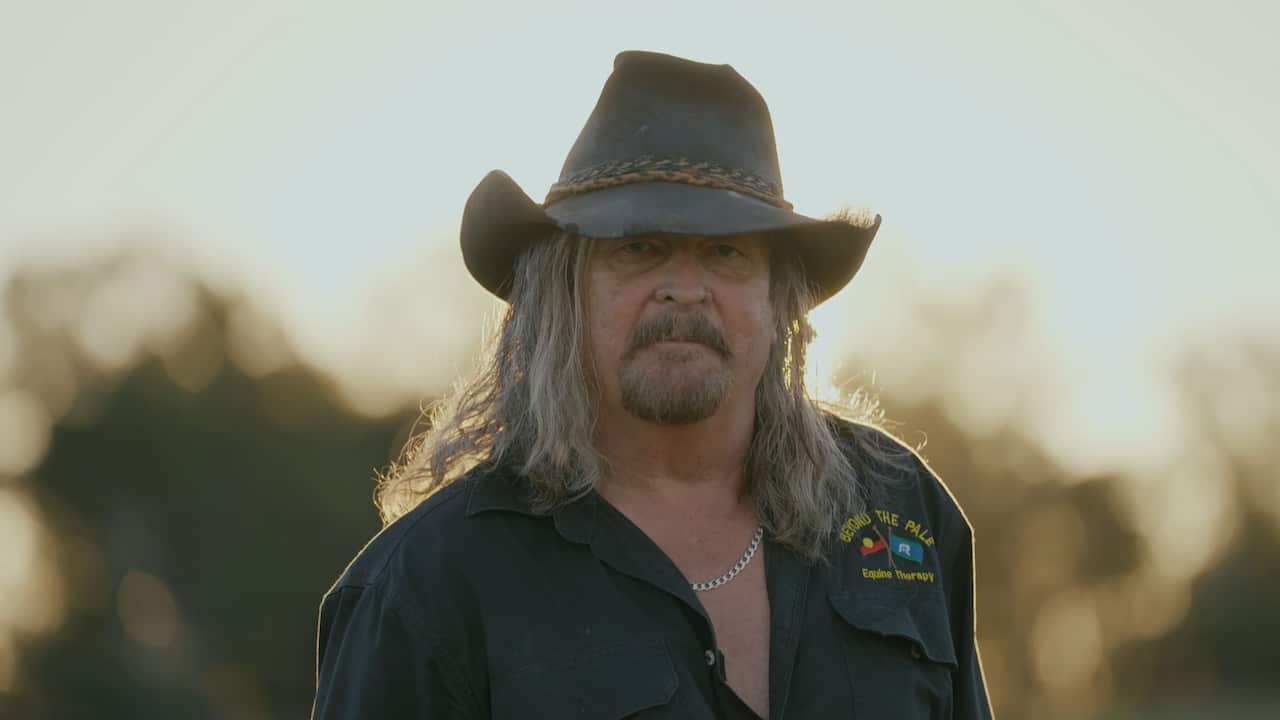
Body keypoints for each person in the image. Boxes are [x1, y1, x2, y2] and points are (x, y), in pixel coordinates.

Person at [311, 50, 994, 719]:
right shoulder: (426, 584)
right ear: (562, 291)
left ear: (777, 299)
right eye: (638, 247)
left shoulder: (900, 511)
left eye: (725, 252)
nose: (684, 290)